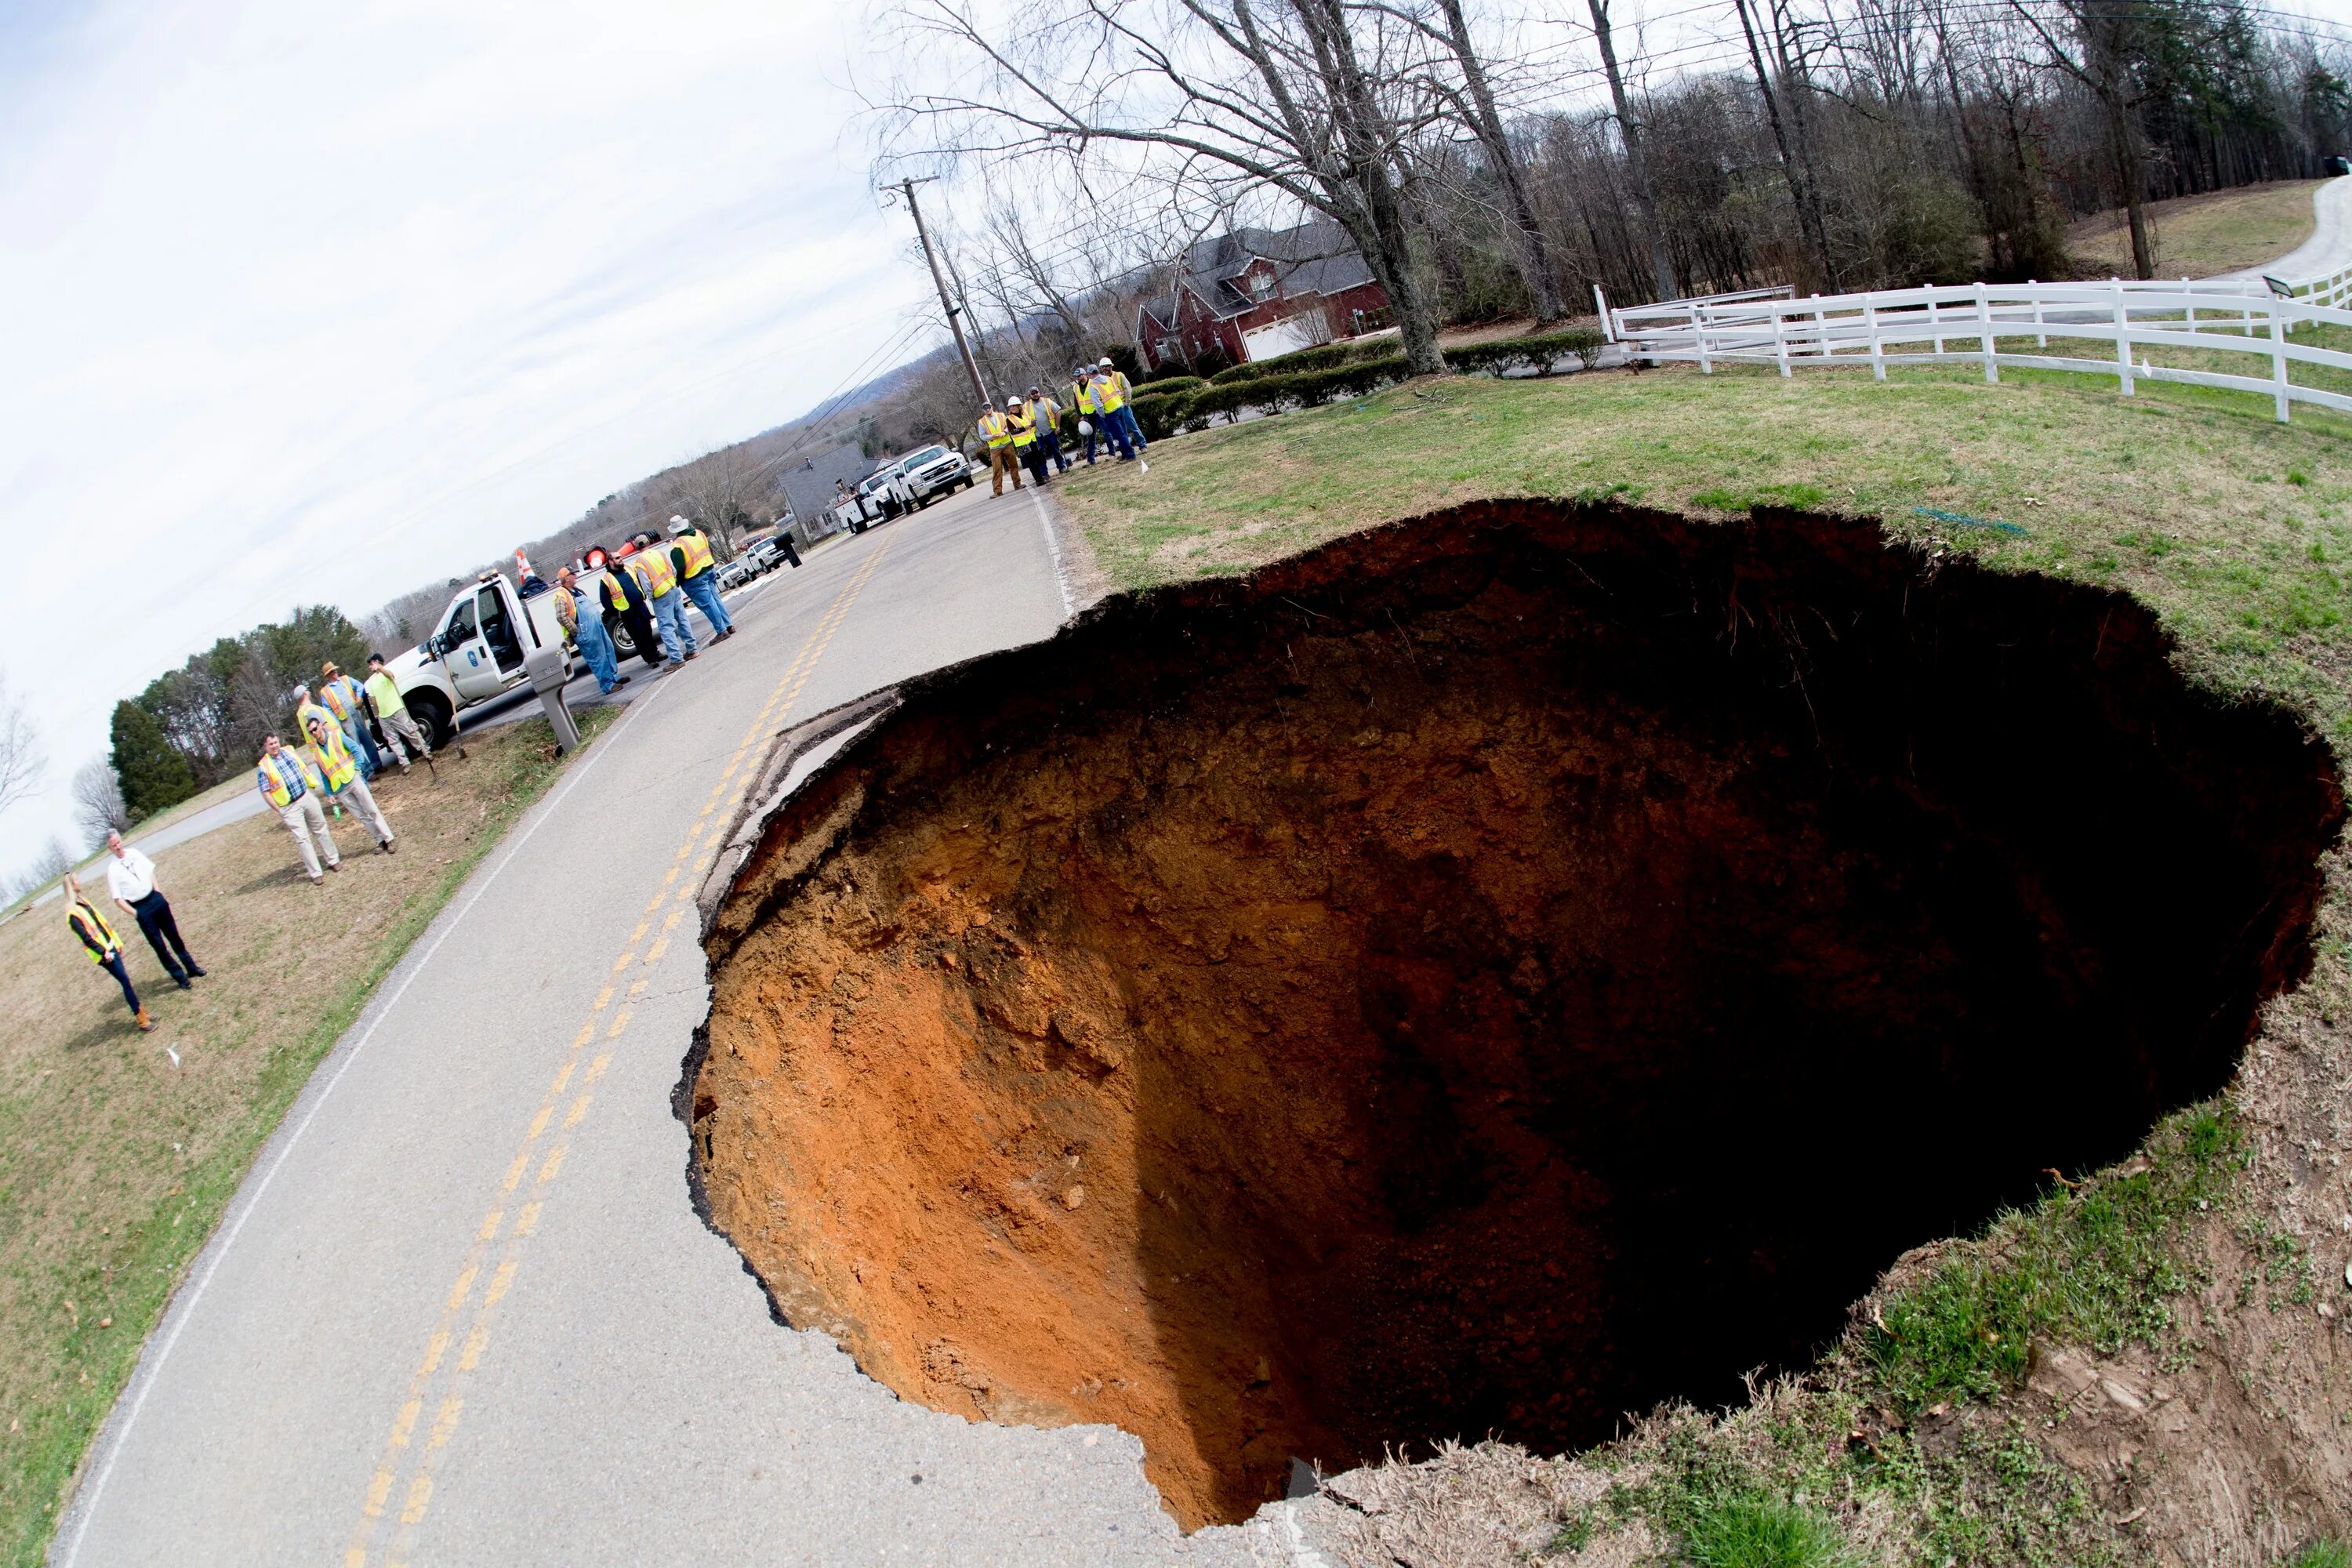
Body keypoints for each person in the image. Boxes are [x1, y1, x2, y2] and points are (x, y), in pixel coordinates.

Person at [296, 687, 395, 853]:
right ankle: (380, 841)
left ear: (321, 725)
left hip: (353, 778)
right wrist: (329, 794)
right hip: (340, 788)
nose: (313, 733)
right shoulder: (317, 752)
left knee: (371, 810)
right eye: (311, 731)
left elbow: (356, 750)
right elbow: (324, 773)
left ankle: (389, 838)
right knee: (362, 817)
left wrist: (357, 770)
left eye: (315, 728)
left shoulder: (336, 736)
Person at [104, 830, 202, 990]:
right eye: (114, 846)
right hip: (141, 909)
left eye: (119, 842)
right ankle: (180, 977)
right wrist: (136, 913)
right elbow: (117, 899)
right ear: (110, 849)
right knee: (160, 947)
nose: (118, 847)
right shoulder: (113, 870)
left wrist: (158, 893)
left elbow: (150, 871)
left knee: (174, 937)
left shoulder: (134, 853)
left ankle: (192, 968)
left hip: (155, 899)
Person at [65, 873, 151, 1032]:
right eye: (76, 880)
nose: (79, 881)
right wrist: (104, 952)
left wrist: (115, 943)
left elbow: (100, 925)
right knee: (125, 981)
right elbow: (86, 938)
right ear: (71, 886)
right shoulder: (72, 914)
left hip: (110, 947)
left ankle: (142, 1012)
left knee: (126, 981)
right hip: (104, 955)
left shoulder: (84, 902)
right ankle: (141, 1019)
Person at [256, 734, 339, 884]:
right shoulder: (264, 767)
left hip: (306, 796)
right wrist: (279, 810)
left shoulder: (289, 751)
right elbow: (265, 792)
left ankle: (333, 860)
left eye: (276, 742)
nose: (274, 746)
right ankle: (316, 874)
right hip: (289, 807)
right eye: (271, 744)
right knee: (303, 840)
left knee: (321, 829)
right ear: (265, 747)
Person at [556, 567, 628, 694]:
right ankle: (607, 685)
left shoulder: (577, 591)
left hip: (596, 628)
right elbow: (561, 616)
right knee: (597, 658)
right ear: (566, 578)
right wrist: (575, 630)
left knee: (608, 651)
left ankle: (614, 677)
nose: (575, 575)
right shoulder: (562, 595)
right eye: (572, 574)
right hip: (585, 632)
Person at [630, 532, 695, 667]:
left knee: (666, 627)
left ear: (637, 547)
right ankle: (692, 649)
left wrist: (651, 596)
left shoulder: (640, 562)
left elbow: (645, 584)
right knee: (682, 620)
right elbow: (673, 570)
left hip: (660, 595)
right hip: (673, 589)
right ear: (648, 542)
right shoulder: (659, 553)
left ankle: (677, 659)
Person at [590, 548, 662, 670]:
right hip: (627, 612)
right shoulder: (606, 580)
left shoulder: (628, 569)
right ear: (610, 561)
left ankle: (656, 653)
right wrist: (617, 613)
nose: (621, 559)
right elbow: (605, 601)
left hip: (640, 606)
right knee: (638, 636)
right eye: (618, 558)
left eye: (620, 557)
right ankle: (650, 660)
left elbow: (638, 582)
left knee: (647, 631)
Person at [667, 517, 735, 644]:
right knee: (715, 600)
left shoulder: (678, 544)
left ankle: (722, 631)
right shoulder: (699, 533)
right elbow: (710, 549)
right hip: (710, 570)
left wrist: (678, 581)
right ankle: (728, 625)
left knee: (708, 605)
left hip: (694, 578)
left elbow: (680, 568)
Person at [364, 654, 431, 771]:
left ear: (378, 662)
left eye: (372, 663)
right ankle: (405, 763)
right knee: (393, 740)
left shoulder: (386, 673)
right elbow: (373, 699)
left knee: (411, 731)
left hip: (397, 710)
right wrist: (377, 714)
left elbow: (391, 676)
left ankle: (426, 752)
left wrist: (380, 668)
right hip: (384, 716)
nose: (370, 666)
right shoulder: (371, 681)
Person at [317, 662, 383, 780]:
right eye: (332, 672)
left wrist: (358, 697)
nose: (335, 673)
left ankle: (377, 765)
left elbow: (359, 686)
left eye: (335, 670)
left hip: (356, 715)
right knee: (355, 745)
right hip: (345, 721)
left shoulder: (345, 680)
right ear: (328, 675)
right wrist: (337, 726)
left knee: (368, 740)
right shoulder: (325, 692)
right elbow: (328, 711)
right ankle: (368, 772)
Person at [1095, 358, 1146, 456]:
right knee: (1122, 432)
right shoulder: (1102, 380)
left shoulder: (1119, 375)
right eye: (1103, 367)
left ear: (1111, 366)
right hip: (1113, 410)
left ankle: (1142, 445)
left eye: (1106, 366)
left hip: (1123, 406)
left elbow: (1128, 389)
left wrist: (1127, 403)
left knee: (1133, 427)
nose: (1105, 369)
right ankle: (1127, 451)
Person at [978, 401, 1021, 495]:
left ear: (992, 407)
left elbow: (1009, 426)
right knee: (997, 469)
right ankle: (997, 491)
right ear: (983, 410)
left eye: (989, 407)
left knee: (1013, 465)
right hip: (995, 447)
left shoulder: (1001, 415)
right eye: (985, 409)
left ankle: (1017, 484)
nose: (988, 410)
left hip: (1007, 443)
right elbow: (982, 436)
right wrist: (992, 437)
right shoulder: (982, 422)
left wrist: (1004, 433)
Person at [1007, 396, 1050, 488]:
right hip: (1023, 444)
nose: (1012, 408)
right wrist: (1026, 427)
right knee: (1032, 463)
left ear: (1019, 406)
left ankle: (1043, 476)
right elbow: (1012, 431)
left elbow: (1031, 425)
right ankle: (1039, 480)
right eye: (1011, 406)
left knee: (1040, 459)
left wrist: (1033, 424)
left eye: (1014, 406)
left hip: (1032, 440)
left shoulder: (1025, 414)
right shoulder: (1009, 419)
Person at [1029, 384, 1069, 474]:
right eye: (1033, 394)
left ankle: (1062, 466)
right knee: (1040, 454)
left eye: (1036, 392)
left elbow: (1058, 411)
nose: (1035, 395)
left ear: (1039, 393)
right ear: (1030, 395)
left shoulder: (1047, 401)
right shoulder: (1026, 406)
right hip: (1036, 434)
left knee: (1055, 450)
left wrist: (1057, 426)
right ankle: (1044, 473)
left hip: (1050, 431)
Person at [1070, 367, 1104, 465]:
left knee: (1106, 432)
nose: (1078, 378)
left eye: (1079, 375)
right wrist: (1081, 415)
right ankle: (1091, 459)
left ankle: (1112, 452)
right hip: (1087, 415)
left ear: (1085, 374)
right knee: (1091, 437)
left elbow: (1100, 397)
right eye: (1077, 376)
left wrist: (1100, 410)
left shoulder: (1093, 383)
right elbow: (1076, 403)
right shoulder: (1076, 388)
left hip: (1097, 413)